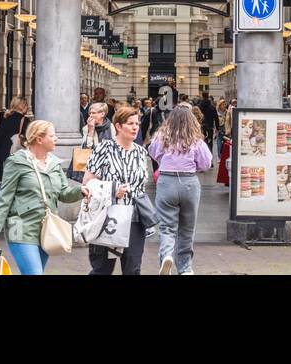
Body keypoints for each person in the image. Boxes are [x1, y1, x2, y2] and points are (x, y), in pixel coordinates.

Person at [0, 120, 89, 275]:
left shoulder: (54, 164)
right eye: (52, 136)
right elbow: (3, 200)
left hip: (47, 231)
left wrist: (81, 191)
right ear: (39, 139)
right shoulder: (17, 162)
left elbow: (63, 194)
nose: (56, 139)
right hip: (21, 230)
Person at [83, 104, 153, 275]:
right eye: (130, 123)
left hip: (135, 218)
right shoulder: (104, 149)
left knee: (133, 269)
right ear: (118, 126)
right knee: (102, 269)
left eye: (137, 123)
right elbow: (88, 181)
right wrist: (112, 190)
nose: (135, 127)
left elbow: (140, 186)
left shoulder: (141, 152)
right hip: (108, 216)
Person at [148, 104, 213, 275]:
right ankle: (185, 267)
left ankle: (166, 257)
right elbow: (206, 163)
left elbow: (153, 152)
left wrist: (166, 160)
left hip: (166, 181)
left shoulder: (162, 136)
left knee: (167, 227)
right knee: (187, 228)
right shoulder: (196, 140)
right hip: (189, 183)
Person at [0, 97, 30, 178]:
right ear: (22, 106)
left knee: (8, 179)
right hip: (20, 154)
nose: (28, 107)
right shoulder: (25, 120)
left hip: (6, 154)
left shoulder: (5, 118)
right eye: (26, 105)